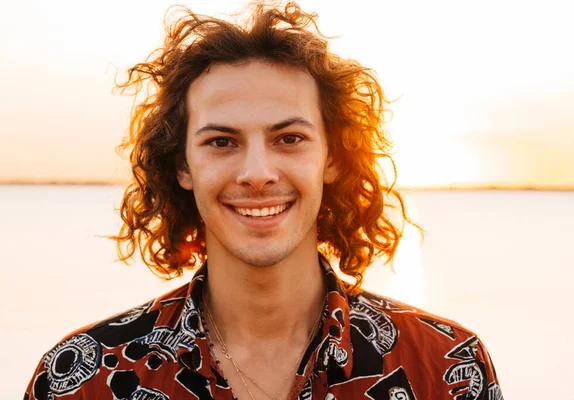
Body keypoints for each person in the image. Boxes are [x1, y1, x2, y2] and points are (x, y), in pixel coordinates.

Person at [25, 2, 503, 399]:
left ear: (333, 159)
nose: (257, 174)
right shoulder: (85, 381)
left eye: (289, 138)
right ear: (182, 167)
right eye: (222, 142)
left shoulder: (444, 368)